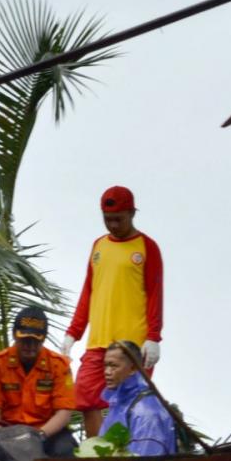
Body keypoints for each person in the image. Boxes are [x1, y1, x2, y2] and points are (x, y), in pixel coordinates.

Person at [60, 186, 163, 437]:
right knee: (85, 396)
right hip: (99, 340)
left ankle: (129, 458)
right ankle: (98, 457)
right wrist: (73, 332)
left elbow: (155, 295)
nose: (113, 225)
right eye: (108, 220)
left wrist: (153, 337)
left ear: (132, 213)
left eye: (119, 219)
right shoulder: (99, 245)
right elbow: (88, 291)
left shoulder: (146, 247)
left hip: (133, 344)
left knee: (131, 400)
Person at [0, 306, 77, 456]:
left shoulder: (59, 365)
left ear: (43, 339)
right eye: (25, 340)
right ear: (14, 335)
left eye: (35, 341)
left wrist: (39, 436)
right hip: (9, 432)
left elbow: (64, 413)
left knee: (65, 450)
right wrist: (0, 436)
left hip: (47, 432)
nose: (30, 346)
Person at [100, 340, 177, 456]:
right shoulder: (119, 404)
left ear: (133, 369)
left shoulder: (146, 412)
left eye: (114, 366)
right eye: (106, 365)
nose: (107, 372)